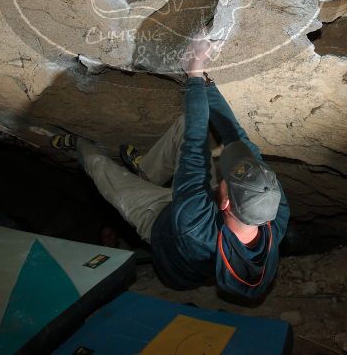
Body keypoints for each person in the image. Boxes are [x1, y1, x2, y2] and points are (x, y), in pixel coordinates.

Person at [52, 35, 289, 299]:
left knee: (100, 167)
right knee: (185, 124)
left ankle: (79, 146)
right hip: (196, 201)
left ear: (225, 203)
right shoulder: (272, 209)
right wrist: (207, 82)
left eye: (227, 178)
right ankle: (145, 172)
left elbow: (196, 141)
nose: (226, 170)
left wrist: (194, 72)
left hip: (159, 221)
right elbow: (238, 140)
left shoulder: (195, 224)